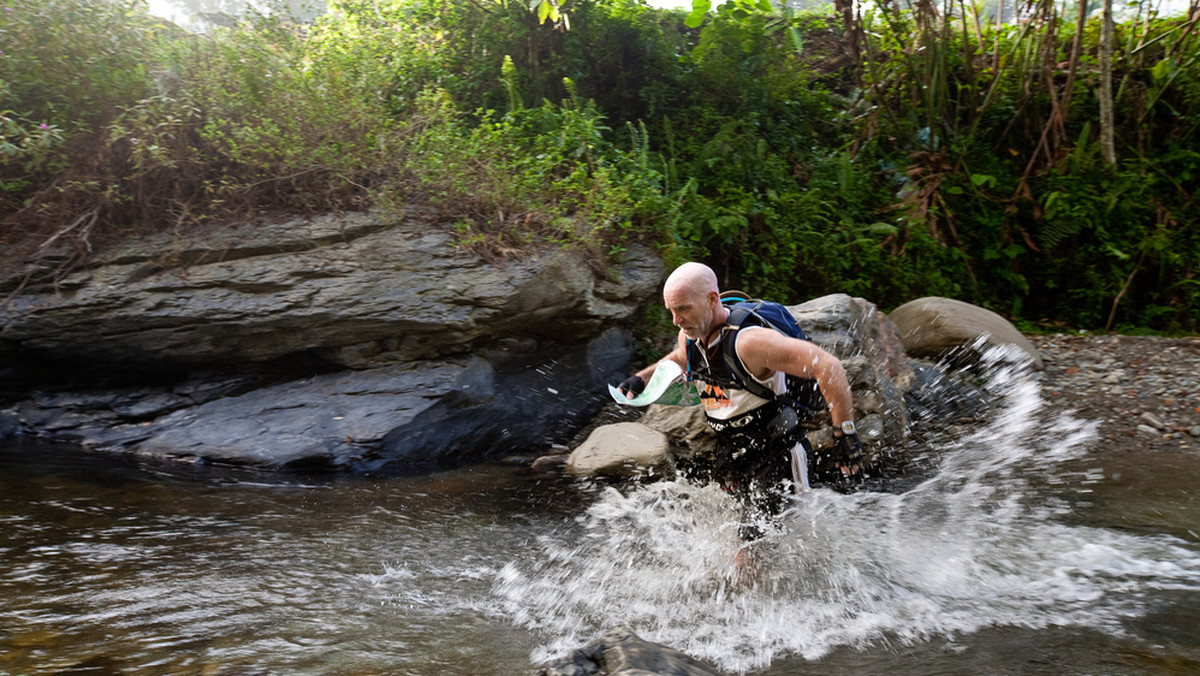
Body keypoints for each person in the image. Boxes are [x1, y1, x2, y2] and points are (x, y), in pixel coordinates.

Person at [616, 262, 864, 534]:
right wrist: (642, 377)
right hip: (733, 453)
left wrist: (845, 433)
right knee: (736, 539)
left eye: (683, 308)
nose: (676, 319)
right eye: (672, 311)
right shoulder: (690, 336)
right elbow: (681, 357)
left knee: (757, 547)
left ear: (712, 299)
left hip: (777, 454)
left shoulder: (750, 343)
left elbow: (827, 366)